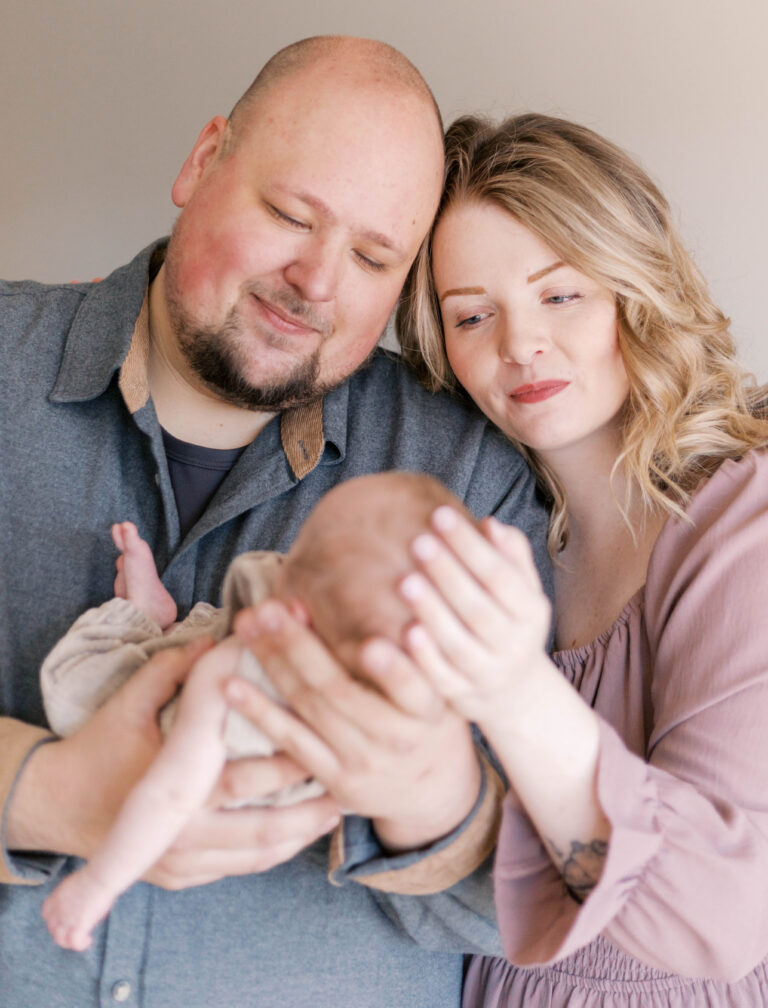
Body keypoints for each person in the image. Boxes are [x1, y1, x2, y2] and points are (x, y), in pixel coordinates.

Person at [0, 37, 550, 1008]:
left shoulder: (471, 477)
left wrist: (433, 793)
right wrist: (50, 794)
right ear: (204, 160)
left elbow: (545, 890)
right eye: (292, 215)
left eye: (376, 256)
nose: (318, 281)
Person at [339, 111, 766, 1005]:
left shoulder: (743, 526)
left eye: (560, 294)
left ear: (633, 287)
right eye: (472, 314)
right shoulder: (496, 529)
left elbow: (722, 914)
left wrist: (510, 692)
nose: (519, 344)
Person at [40, 471, 475, 952]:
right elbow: (171, 791)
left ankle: (146, 621)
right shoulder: (243, 679)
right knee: (116, 681)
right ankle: (152, 618)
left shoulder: (242, 678)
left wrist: (96, 884)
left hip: (221, 743)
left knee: (78, 687)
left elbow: (170, 793)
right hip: (192, 721)